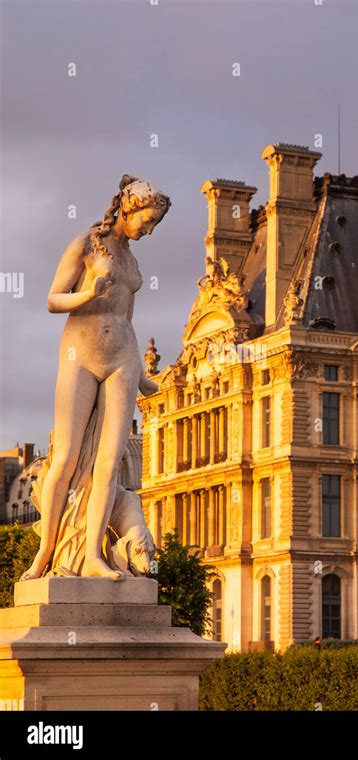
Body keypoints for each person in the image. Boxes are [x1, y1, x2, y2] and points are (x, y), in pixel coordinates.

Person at [21, 175, 170, 581]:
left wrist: (141, 374)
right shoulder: (87, 244)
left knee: (109, 465)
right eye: (148, 220)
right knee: (66, 457)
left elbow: (127, 317)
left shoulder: (132, 261)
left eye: (155, 223)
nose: (150, 229)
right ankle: (46, 552)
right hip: (80, 354)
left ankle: (92, 556)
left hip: (122, 355)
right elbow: (53, 299)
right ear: (129, 206)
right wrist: (89, 293)